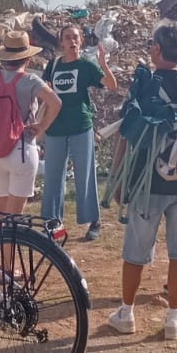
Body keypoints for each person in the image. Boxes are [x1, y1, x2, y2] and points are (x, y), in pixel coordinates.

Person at [107, 21, 177, 341]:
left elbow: (127, 136)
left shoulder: (144, 83)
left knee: (136, 251)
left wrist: (118, 178)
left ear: (157, 49)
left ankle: (126, 313)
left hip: (146, 183)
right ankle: (173, 319)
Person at [0, 31, 60, 226]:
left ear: (4, 56)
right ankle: (7, 258)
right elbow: (55, 103)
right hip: (22, 150)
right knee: (13, 221)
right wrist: (41, 126)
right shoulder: (31, 81)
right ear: (27, 58)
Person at [41, 24, 119, 241]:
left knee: (85, 175)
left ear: (81, 41)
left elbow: (111, 86)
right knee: (53, 177)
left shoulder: (86, 65)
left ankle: (93, 221)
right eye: (67, 38)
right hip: (55, 127)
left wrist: (103, 64)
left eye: (76, 37)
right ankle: (52, 225)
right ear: (61, 42)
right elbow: (44, 91)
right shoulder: (53, 65)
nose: (72, 41)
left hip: (80, 126)